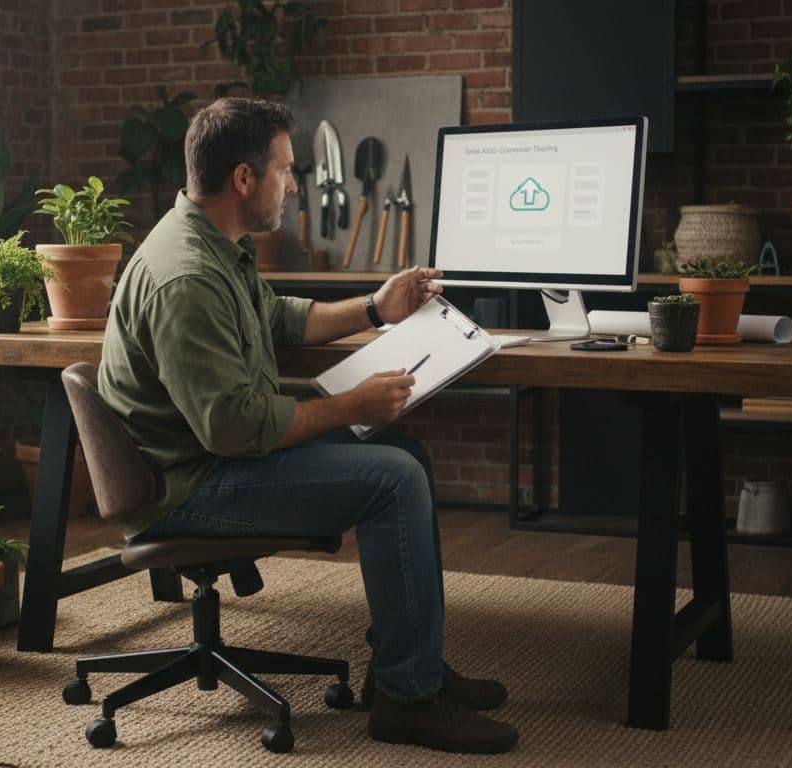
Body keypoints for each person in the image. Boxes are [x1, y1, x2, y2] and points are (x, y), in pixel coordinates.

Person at [98, 97, 518, 754]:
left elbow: (278, 317)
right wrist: (351, 407)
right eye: (285, 170)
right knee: (395, 479)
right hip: (191, 488)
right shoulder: (185, 277)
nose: (294, 184)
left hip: (210, 461)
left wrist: (378, 307)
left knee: (406, 455)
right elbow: (234, 429)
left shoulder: (212, 246)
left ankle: (408, 668)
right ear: (243, 179)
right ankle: (407, 702)